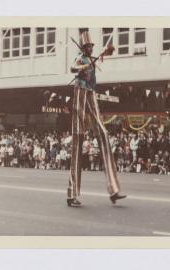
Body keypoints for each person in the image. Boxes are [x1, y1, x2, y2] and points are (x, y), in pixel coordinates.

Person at [67, 31, 126, 207]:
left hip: (91, 94)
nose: (92, 49)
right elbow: (72, 68)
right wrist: (83, 67)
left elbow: (100, 57)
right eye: (89, 47)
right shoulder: (80, 58)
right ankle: (71, 194)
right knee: (78, 138)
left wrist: (107, 52)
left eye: (92, 47)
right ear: (84, 47)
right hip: (80, 94)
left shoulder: (91, 58)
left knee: (104, 134)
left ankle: (113, 189)